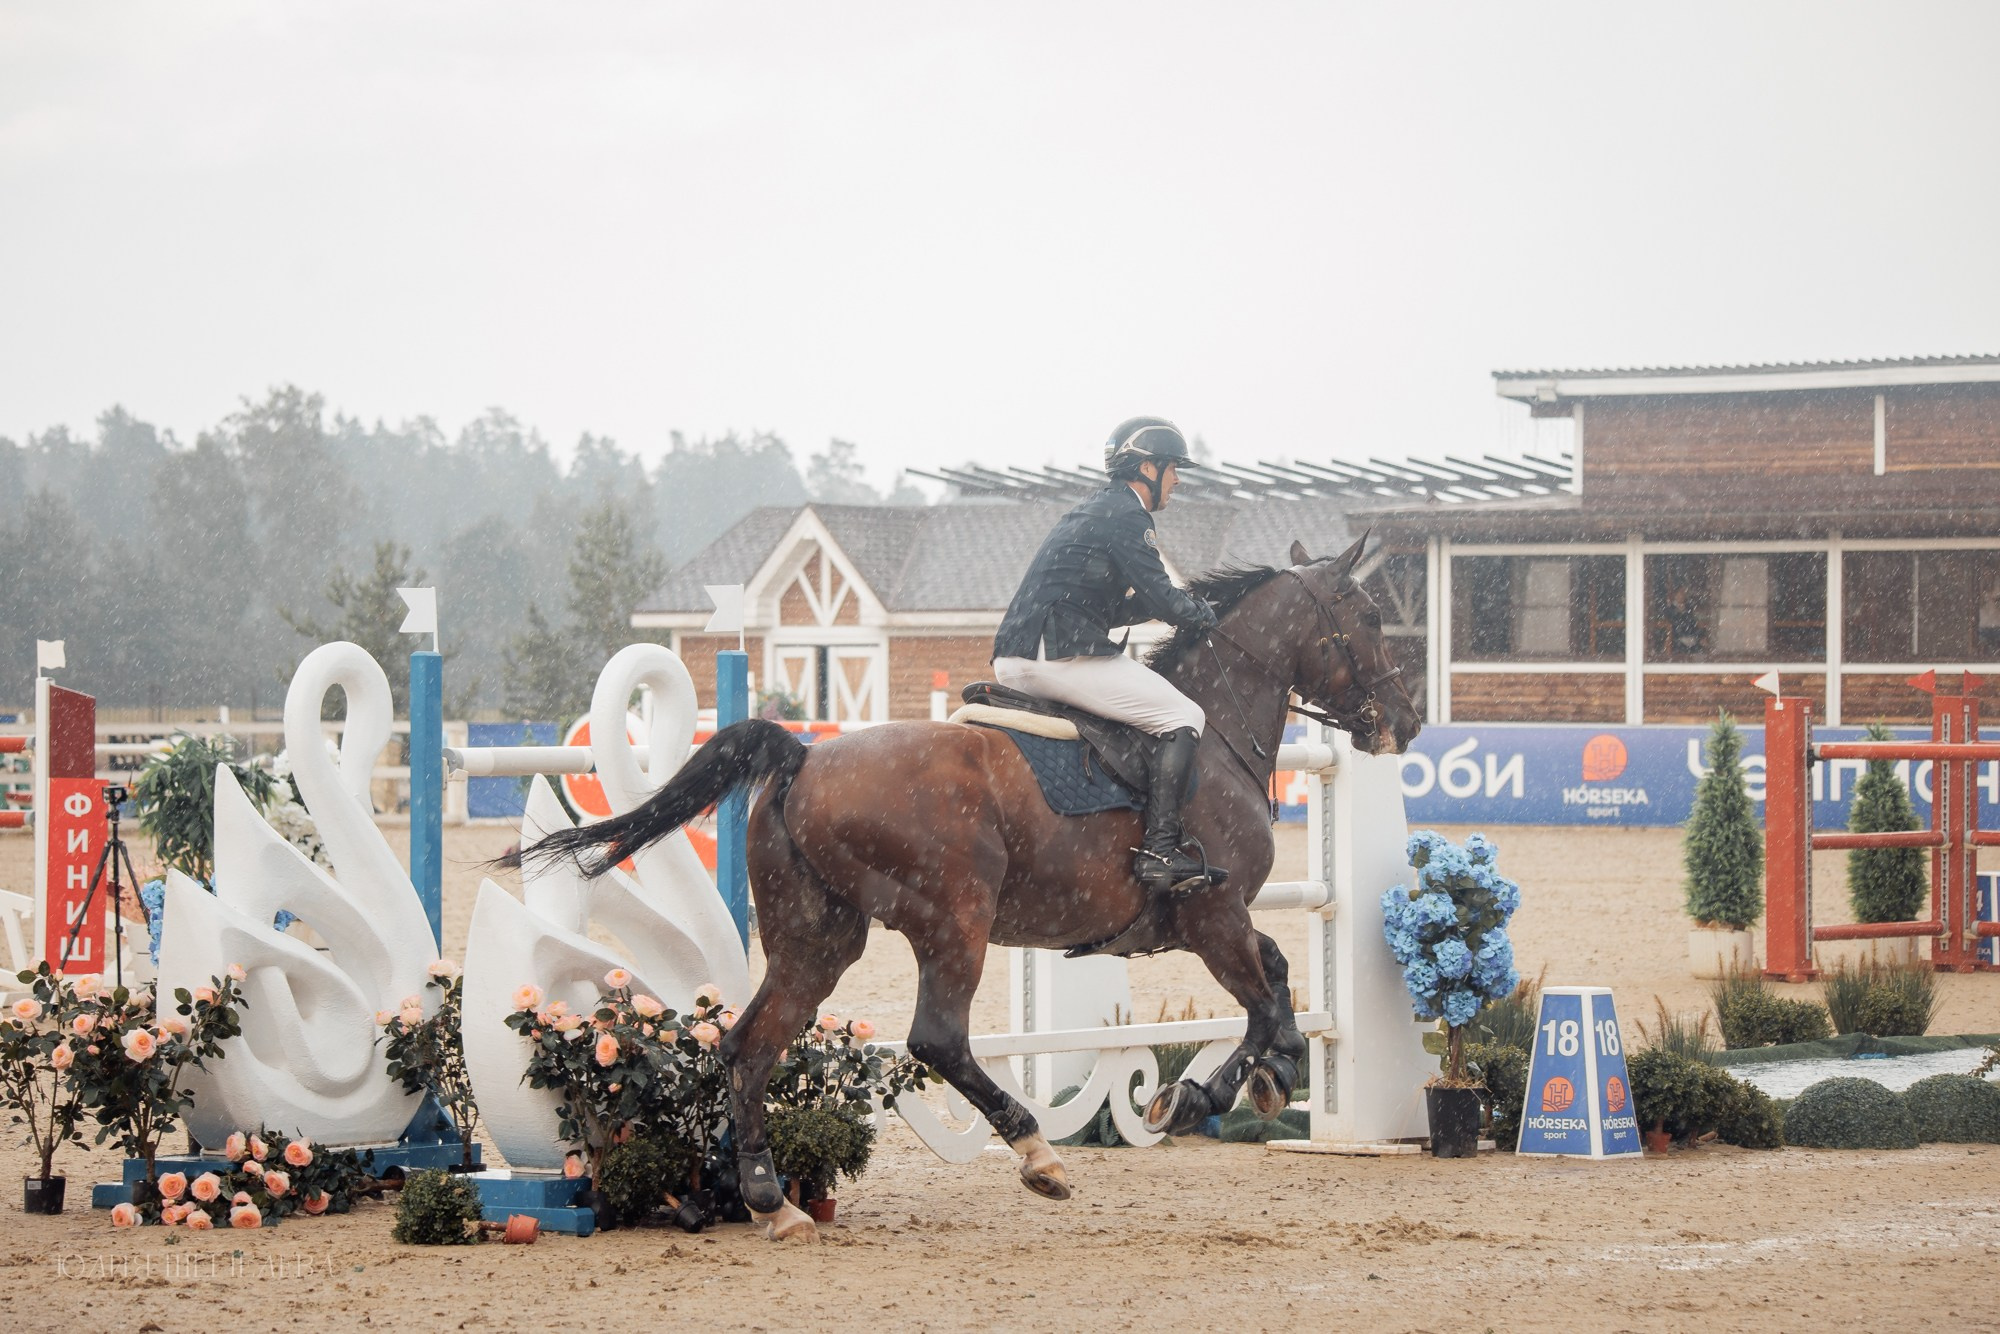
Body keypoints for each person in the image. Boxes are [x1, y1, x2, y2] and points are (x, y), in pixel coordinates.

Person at [991, 416, 1224, 899]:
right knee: (1184, 715)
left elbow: (1118, 605)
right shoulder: (1129, 515)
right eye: (1173, 469)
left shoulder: (1094, 510)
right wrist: (1202, 613)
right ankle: (1160, 850)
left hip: (1016, 656)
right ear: (1147, 468)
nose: (1177, 480)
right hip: (1056, 656)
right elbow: (1164, 600)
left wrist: (1173, 606)